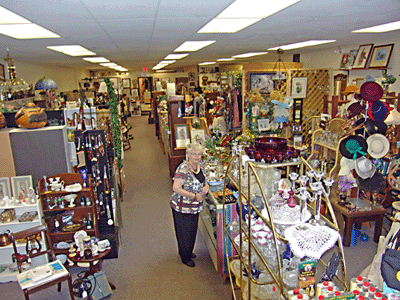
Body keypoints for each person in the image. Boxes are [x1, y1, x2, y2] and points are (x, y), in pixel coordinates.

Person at [170, 142, 209, 267]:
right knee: (183, 232)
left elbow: (204, 181)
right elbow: (175, 188)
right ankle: (184, 256)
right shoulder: (183, 168)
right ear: (188, 155)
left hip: (194, 207)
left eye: (199, 154)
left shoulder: (200, 166)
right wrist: (194, 196)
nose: (196, 157)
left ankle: (188, 251)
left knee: (192, 230)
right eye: (194, 154)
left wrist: (206, 187)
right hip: (181, 206)